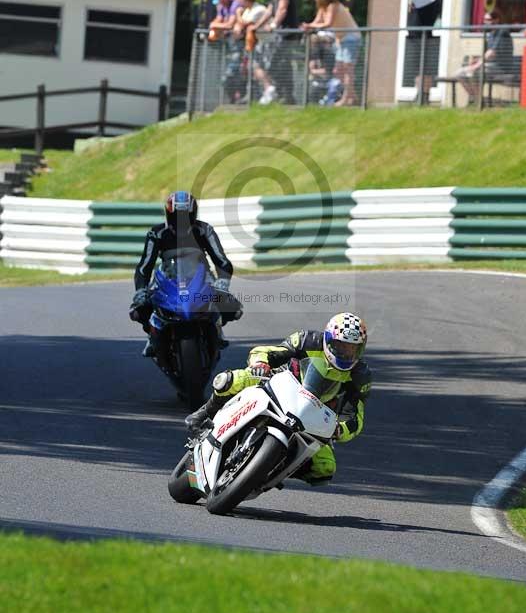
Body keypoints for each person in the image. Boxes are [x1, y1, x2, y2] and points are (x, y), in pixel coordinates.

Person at [185, 312, 371, 485]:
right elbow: (269, 351)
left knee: (325, 468)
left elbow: (355, 417)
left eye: (353, 349)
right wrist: (260, 363)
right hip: (278, 385)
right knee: (231, 380)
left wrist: (340, 429)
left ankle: (274, 468)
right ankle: (204, 413)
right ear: (328, 340)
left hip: (313, 416)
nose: (347, 353)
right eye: (342, 346)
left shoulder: (360, 376)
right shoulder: (307, 340)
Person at [130, 191, 236, 360]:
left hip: (202, 278)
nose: (181, 220)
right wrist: (140, 290)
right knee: (140, 308)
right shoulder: (156, 233)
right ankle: (152, 335)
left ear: (193, 214)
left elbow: (221, 260)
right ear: (169, 214)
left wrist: (223, 281)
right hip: (167, 279)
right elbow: (144, 266)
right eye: (177, 216)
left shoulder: (204, 230)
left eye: (185, 215)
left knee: (231, 305)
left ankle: (217, 329)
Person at [302, 0, 361, 106]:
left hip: (351, 38)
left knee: (347, 69)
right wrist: (309, 25)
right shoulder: (323, 9)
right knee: (338, 70)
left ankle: (346, 99)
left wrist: (310, 26)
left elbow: (327, 23)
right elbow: (317, 21)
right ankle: (353, 96)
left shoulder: (333, 6)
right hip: (341, 40)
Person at [250, 0, 298, 104]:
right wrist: (256, 26)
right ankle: (287, 96)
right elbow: (269, 11)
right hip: (280, 33)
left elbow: (282, 9)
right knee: (283, 64)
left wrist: (273, 25)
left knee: (275, 63)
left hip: (287, 33)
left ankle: (280, 93)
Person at [455, 9, 514, 103]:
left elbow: (491, 53)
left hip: (501, 67)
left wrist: (476, 65)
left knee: (474, 73)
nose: (486, 22)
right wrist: (476, 60)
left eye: (488, 20)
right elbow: (487, 54)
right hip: (489, 65)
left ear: (496, 20)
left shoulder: (502, 31)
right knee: (459, 73)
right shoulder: (490, 34)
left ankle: (478, 102)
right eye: (485, 20)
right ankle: (475, 98)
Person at [405, 0, 440, 103]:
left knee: (424, 68)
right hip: (416, 37)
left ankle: (424, 95)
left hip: (423, 37)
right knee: (417, 68)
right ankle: (420, 94)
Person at [209, 0, 245, 102]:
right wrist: (215, 25)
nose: (221, 0)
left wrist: (214, 26)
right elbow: (217, 20)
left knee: (230, 76)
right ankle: (234, 100)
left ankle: (240, 99)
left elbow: (229, 25)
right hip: (230, 48)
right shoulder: (221, 6)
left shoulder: (235, 4)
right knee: (227, 78)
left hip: (241, 47)